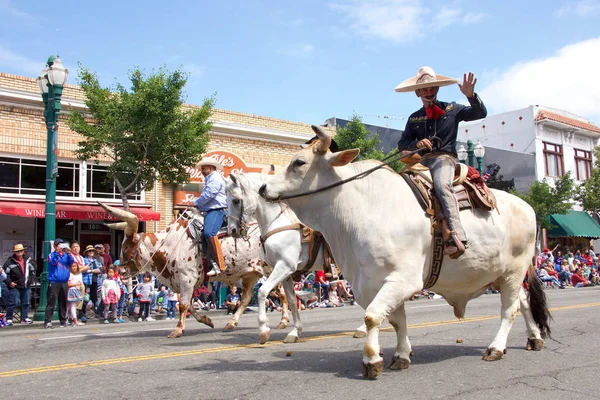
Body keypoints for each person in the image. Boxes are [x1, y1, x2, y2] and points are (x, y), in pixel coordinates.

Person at [396, 67, 487, 258]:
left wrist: (471, 96)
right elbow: (402, 144)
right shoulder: (414, 118)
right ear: (417, 92)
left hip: (444, 159)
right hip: (420, 161)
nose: (429, 92)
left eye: (432, 88)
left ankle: (457, 234)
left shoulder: (452, 109)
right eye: (425, 89)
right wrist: (416, 143)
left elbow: (479, 113)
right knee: (398, 185)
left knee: (442, 185)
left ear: (437, 89)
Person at [193, 158, 227, 277]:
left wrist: (195, 202)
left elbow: (209, 194)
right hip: (210, 211)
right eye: (201, 168)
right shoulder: (210, 179)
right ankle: (208, 262)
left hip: (216, 210)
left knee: (209, 233)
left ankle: (219, 264)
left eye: (204, 168)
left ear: (211, 168)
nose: (202, 170)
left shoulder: (215, 178)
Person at [45, 239, 76, 328]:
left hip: (64, 282)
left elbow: (71, 262)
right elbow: (53, 262)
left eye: (61, 245)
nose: (60, 246)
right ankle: (48, 321)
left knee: (63, 302)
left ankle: (63, 320)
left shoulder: (66, 255)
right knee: (52, 301)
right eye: (58, 245)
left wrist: (69, 253)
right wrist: (57, 253)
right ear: (55, 246)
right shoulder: (51, 255)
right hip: (54, 281)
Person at [3, 243, 37, 325]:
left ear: (23, 251)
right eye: (17, 251)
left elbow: (33, 270)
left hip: (26, 285)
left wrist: (30, 280)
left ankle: (24, 318)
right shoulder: (9, 262)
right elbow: (4, 274)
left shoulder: (28, 260)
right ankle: (9, 319)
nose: (19, 253)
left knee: (26, 302)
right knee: (13, 302)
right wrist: (10, 282)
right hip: (15, 285)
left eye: (21, 251)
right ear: (14, 252)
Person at [83, 245, 102, 318]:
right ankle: (84, 312)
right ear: (87, 252)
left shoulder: (95, 260)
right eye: (90, 251)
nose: (91, 252)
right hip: (87, 280)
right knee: (86, 297)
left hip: (95, 280)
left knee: (94, 297)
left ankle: (93, 312)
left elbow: (99, 269)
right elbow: (83, 270)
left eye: (92, 251)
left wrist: (98, 271)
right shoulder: (85, 260)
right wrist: (92, 271)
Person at [67, 262, 85, 326]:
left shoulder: (77, 274)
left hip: (74, 290)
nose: (74, 268)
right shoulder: (70, 274)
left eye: (75, 266)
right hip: (71, 291)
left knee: (70, 306)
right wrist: (76, 284)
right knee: (72, 306)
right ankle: (74, 320)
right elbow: (69, 284)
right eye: (73, 266)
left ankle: (68, 319)